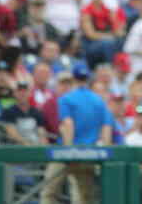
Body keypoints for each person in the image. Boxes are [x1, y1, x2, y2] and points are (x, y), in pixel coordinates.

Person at [41, 64, 112, 204]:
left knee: (49, 193)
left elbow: (68, 125)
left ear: (74, 79)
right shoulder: (98, 100)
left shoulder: (67, 99)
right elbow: (106, 129)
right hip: (89, 154)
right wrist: (105, 153)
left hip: (65, 153)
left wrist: (69, 151)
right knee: (85, 197)